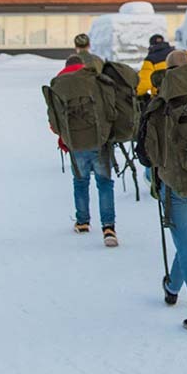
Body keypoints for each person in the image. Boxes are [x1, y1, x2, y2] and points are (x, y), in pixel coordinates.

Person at [136, 50, 187, 333]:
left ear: (167, 71)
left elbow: (145, 154)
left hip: (176, 187)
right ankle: (171, 287)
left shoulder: (161, 103)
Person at [51, 55, 117, 247]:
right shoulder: (95, 80)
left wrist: (64, 136)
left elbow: (54, 120)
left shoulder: (59, 84)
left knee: (80, 182)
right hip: (99, 140)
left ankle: (82, 222)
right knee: (104, 183)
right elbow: (110, 109)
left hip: (75, 142)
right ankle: (109, 228)